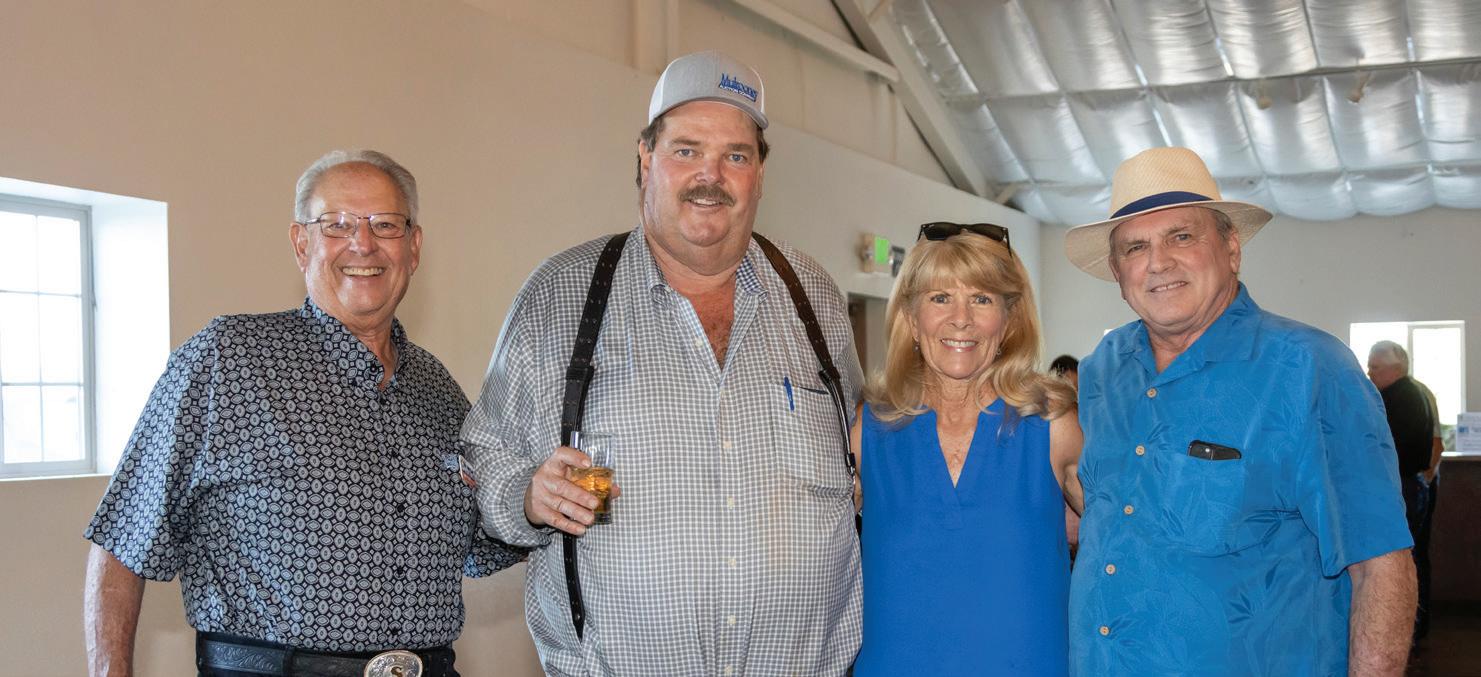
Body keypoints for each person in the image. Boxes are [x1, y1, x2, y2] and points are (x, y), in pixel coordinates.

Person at [460, 51, 863, 675]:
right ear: (645, 157)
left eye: (736, 155)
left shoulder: (813, 296)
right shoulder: (561, 297)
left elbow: (861, 451)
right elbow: (485, 455)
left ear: (760, 173)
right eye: (686, 150)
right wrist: (529, 495)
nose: (711, 176)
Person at [82, 150, 523, 677]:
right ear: (300, 243)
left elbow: (480, 547)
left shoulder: (438, 390)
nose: (363, 243)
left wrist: (538, 498)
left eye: (386, 225)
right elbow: (124, 540)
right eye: (336, 224)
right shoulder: (229, 359)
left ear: (413, 248)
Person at [1063, 147, 1416, 675]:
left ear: (1231, 248)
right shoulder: (1101, 370)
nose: (1158, 262)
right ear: (1117, 271)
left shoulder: (1309, 369)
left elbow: (1380, 564)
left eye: (1182, 237)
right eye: (1136, 247)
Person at [851, 223, 1082, 676]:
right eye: (940, 298)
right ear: (911, 318)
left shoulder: (1053, 425)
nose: (961, 319)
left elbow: (1131, 547)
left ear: (1009, 320)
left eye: (982, 299)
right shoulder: (869, 430)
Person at [1367, 340, 1440, 640]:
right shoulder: (1415, 393)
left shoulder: (1398, 399)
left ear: (1394, 369)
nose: (1369, 373)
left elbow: (1388, 449)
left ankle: (1401, 633)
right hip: (1412, 486)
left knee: (1398, 561)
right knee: (1413, 557)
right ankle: (1414, 631)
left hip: (1402, 487)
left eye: (1374, 367)